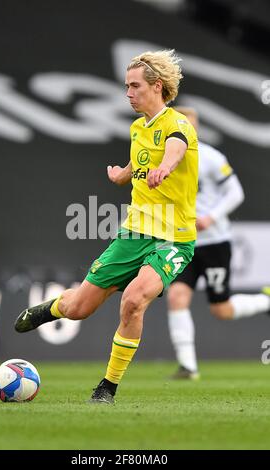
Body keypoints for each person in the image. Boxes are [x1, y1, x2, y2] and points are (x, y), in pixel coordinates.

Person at [15, 50, 198, 403]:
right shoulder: (137, 127)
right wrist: (124, 175)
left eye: (134, 86)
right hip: (133, 234)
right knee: (78, 309)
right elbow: (141, 160)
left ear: (156, 86)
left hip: (173, 239)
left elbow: (174, 149)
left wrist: (168, 169)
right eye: (126, 86)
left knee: (133, 301)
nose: (127, 93)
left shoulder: (179, 124)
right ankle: (48, 309)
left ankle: (107, 388)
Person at [167, 107, 270, 380]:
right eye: (180, 127)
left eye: (190, 127)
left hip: (214, 243)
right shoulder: (163, 159)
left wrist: (212, 217)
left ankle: (266, 302)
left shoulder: (211, 157)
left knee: (221, 310)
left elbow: (236, 192)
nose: (186, 133)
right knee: (177, 296)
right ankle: (188, 367)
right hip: (182, 242)